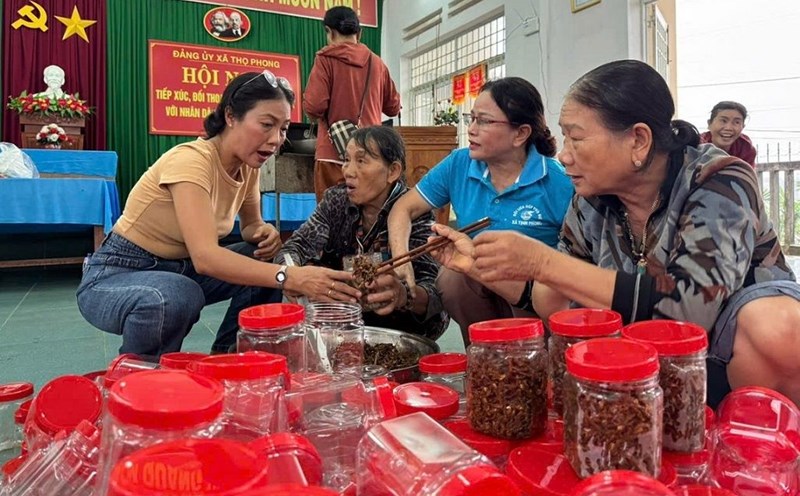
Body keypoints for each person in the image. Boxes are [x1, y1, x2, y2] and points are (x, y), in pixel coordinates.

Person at [430, 60, 800, 407]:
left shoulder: (718, 179)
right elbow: (553, 301)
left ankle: (757, 441)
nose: (565, 155)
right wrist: (479, 264)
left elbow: (691, 308)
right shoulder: (590, 199)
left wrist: (545, 262)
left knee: (777, 326)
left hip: (720, 357)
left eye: (577, 138)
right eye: (564, 139)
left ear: (638, 140)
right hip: (639, 358)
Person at [77, 70, 359, 360]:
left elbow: (251, 227)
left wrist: (265, 234)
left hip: (182, 269)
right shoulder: (191, 162)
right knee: (176, 296)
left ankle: (230, 355)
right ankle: (137, 375)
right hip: (120, 272)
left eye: (284, 128)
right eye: (266, 124)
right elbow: (206, 257)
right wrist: (289, 276)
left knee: (260, 257)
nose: (276, 140)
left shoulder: (248, 165)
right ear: (230, 116)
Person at [387, 77, 574, 345]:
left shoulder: (557, 182)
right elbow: (403, 208)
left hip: (534, 299)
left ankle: (532, 356)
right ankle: (481, 352)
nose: (472, 130)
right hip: (477, 287)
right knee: (453, 278)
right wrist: (401, 259)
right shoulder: (460, 164)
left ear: (520, 134)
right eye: (471, 118)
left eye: (484, 121)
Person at [275, 126, 448, 340]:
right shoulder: (335, 201)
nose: (347, 171)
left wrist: (404, 296)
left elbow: (435, 294)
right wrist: (294, 275)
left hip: (399, 329)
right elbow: (295, 247)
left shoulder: (416, 212)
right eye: (346, 160)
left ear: (392, 171)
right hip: (340, 317)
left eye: (361, 161)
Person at [304, 6, 401, 202]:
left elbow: (314, 107)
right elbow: (392, 107)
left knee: (331, 218)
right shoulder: (377, 63)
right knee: (367, 219)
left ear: (329, 32)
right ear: (360, 33)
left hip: (332, 155)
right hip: (371, 155)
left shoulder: (325, 59)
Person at [700, 101, 757, 168]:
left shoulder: (746, 149)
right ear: (709, 124)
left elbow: (747, 176)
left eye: (737, 122)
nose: (729, 128)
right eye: (723, 121)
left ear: (743, 127)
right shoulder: (696, 146)